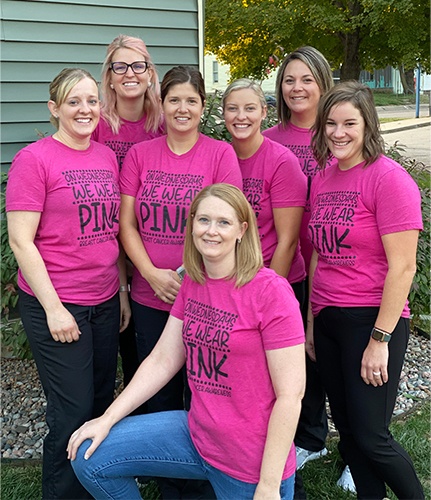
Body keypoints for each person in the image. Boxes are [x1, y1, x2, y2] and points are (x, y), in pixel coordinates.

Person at [67, 183, 306, 500]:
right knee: (90, 455)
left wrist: (268, 485)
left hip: (250, 463)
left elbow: (291, 395)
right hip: (197, 434)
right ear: (192, 223)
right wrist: (107, 418)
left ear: (241, 231)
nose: (211, 231)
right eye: (203, 220)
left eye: (224, 222)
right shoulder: (194, 281)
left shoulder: (270, 291)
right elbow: (163, 359)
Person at [119, 65, 242, 498]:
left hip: (206, 299)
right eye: (174, 100)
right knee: (161, 398)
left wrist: (188, 278)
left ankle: (206, 481)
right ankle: (172, 483)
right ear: (161, 104)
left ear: (203, 106)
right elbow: (126, 224)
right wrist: (150, 274)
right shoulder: (140, 155)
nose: (183, 108)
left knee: (206, 395)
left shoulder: (220, 155)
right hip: (152, 297)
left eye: (192, 100)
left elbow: (228, 223)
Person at [6, 68, 129, 499]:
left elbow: (109, 232)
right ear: (54, 108)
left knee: (97, 401)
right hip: (57, 304)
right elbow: (21, 241)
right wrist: (55, 308)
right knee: (71, 409)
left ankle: (93, 486)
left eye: (92, 100)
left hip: (104, 299)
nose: (85, 109)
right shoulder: (34, 160)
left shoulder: (105, 157)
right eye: (73, 102)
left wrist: (121, 289)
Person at [307, 80, 425, 499]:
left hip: (371, 322)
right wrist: (310, 324)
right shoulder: (323, 178)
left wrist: (380, 340)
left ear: (367, 125)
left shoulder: (388, 180)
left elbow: (404, 266)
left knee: (372, 435)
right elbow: (318, 255)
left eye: (349, 123)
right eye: (330, 124)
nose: (338, 133)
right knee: (351, 434)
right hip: (329, 320)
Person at [262, 46, 350, 491]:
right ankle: (311, 436)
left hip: (339, 267)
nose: (296, 88)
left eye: (306, 79)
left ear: (323, 83)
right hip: (290, 266)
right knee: (302, 359)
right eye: (289, 80)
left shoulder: (338, 134)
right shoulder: (271, 139)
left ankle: (358, 447)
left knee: (342, 363)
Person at [94, 34, 165, 388]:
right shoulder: (95, 124)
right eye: (119, 66)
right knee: (127, 348)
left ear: (150, 73)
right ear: (108, 76)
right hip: (111, 251)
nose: (129, 73)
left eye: (139, 65)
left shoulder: (166, 123)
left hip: (157, 247)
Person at [222, 78, 307, 318]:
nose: (241, 116)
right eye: (232, 108)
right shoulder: (219, 156)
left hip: (275, 279)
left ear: (263, 112)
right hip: (231, 280)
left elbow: (288, 241)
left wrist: (269, 292)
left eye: (250, 108)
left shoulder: (281, 161)